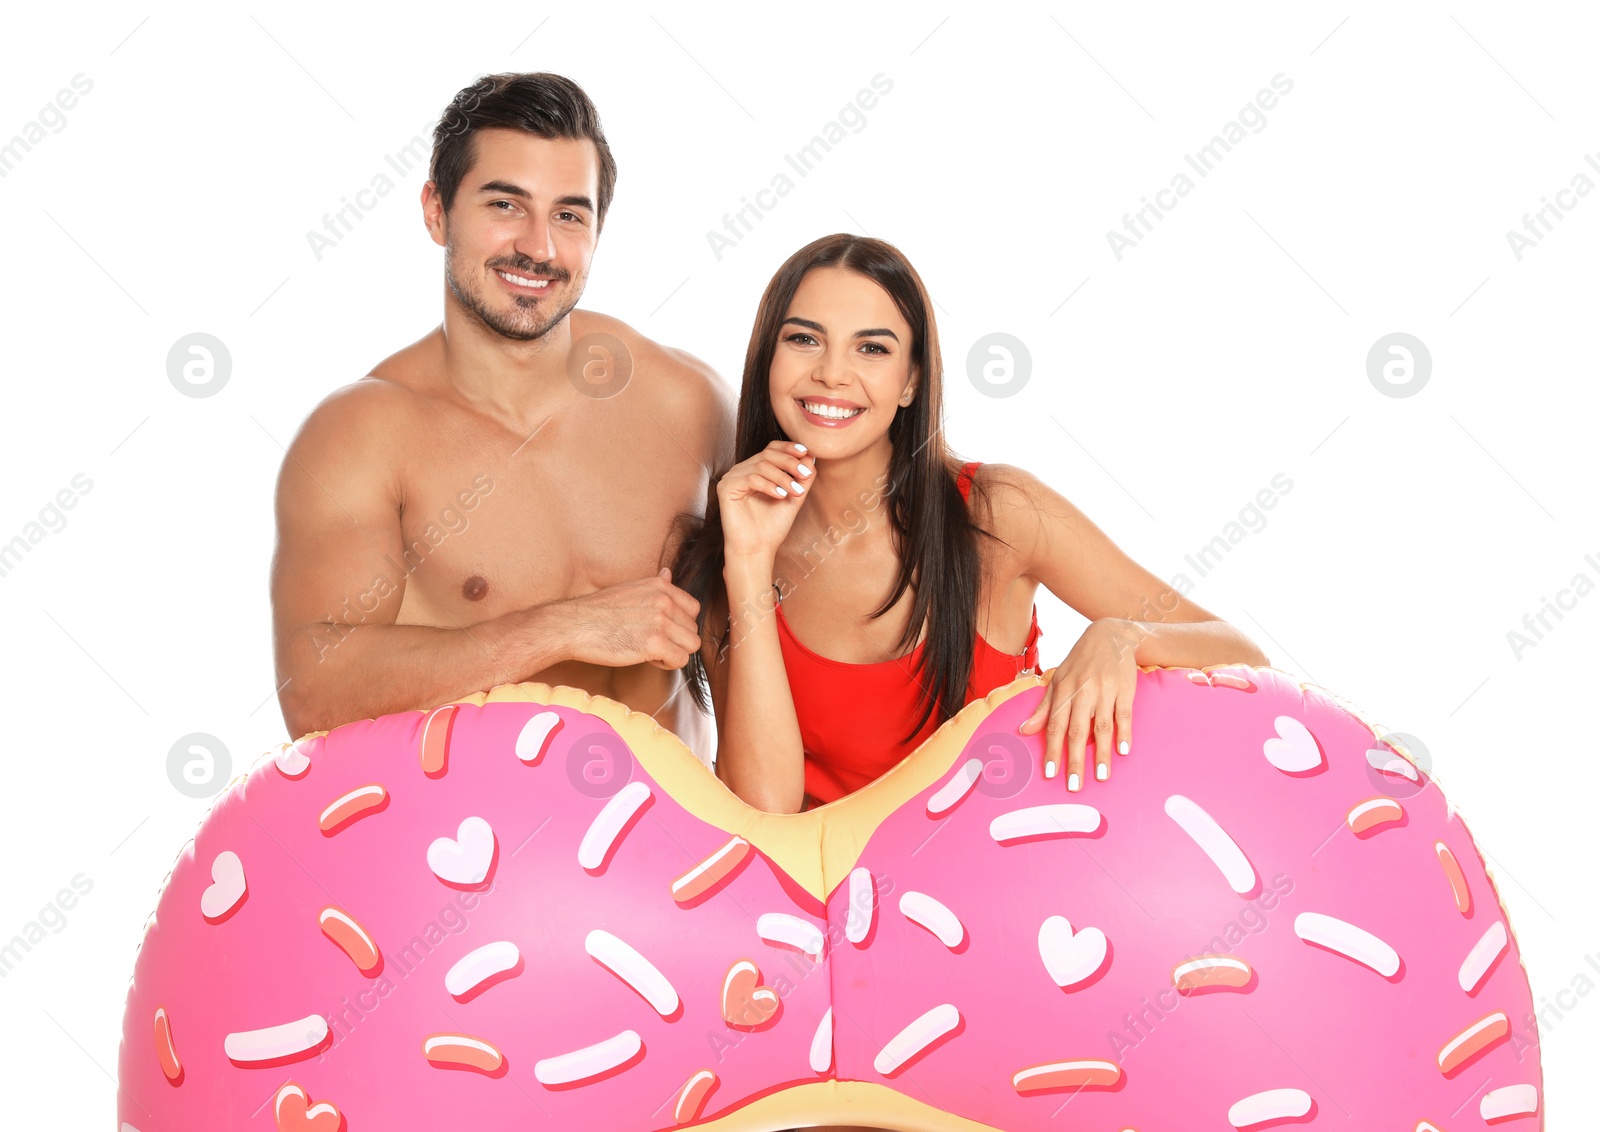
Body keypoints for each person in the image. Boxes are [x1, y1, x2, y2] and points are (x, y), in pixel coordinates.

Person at [673, 233, 1270, 818]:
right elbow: (764, 812)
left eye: (872, 349)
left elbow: (1242, 656)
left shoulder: (998, 513)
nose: (832, 373)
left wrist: (1126, 636)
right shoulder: (730, 556)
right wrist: (748, 564)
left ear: (911, 381)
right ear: (768, 358)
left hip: (1018, 889)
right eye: (804, 339)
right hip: (838, 902)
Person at [270, 72, 732, 761]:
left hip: (681, 848)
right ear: (435, 211)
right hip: (474, 857)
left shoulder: (686, 401)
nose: (540, 247)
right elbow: (313, 691)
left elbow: (816, 584)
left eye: (570, 214)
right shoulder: (361, 436)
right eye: (506, 205)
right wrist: (559, 628)